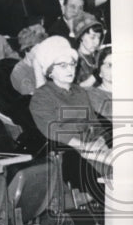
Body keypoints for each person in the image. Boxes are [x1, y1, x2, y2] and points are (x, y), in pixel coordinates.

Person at [27, 36, 110, 195]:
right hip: (68, 153)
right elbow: (52, 128)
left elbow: (94, 123)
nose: (70, 70)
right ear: (50, 70)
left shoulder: (80, 92)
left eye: (72, 64)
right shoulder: (41, 97)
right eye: (63, 66)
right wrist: (83, 146)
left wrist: (101, 140)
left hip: (93, 149)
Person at [71, 13, 105, 87]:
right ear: (81, 36)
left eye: (99, 37)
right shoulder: (73, 60)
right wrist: (96, 75)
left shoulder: (100, 55)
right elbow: (76, 90)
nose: (97, 42)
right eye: (92, 37)